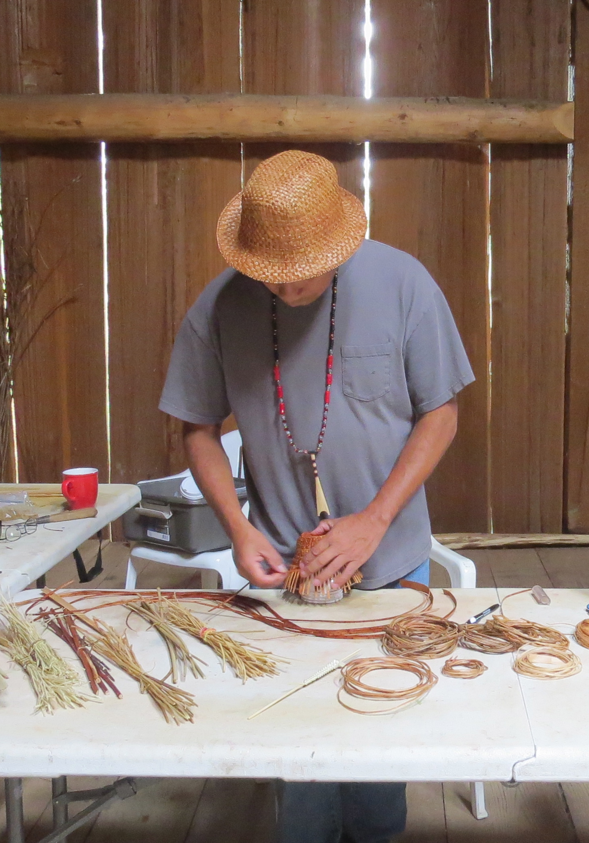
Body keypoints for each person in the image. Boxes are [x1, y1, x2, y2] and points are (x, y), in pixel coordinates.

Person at [159, 150, 474, 843]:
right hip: (284, 577)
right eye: (270, 272)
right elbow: (197, 429)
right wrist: (239, 528)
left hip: (391, 560)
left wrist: (375, 519)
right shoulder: (219, 307)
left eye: (302, 270)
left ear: (338, 241)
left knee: (375, 757)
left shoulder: (403, 283)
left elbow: (441, 414)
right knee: (299, 765)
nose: (286, 285)